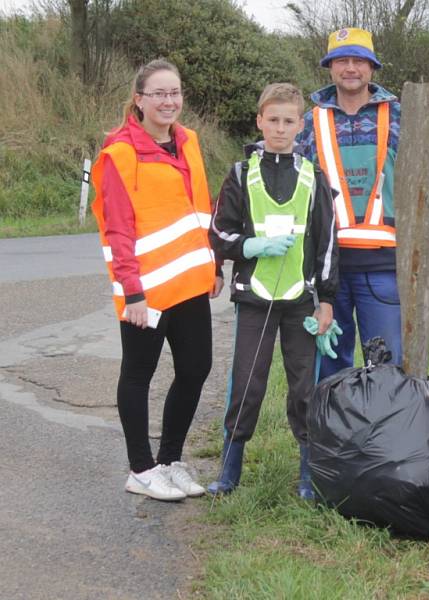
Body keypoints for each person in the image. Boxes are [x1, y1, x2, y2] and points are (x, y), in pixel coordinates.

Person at [91, 59, 223, 502]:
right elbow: (117, 230)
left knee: (195, 368)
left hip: (191, 283)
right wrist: (132, 293)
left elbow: (201, 210)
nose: (169, 101)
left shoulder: (189, 142)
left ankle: (169, 460)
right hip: (145, 293)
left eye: (175, 92)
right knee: (138, 375)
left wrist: (214, 264)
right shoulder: (119, 153)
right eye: (159, 94)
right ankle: (141, 469)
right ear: (139, 99)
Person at [208, 83, 339, 499]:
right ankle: (229, 472)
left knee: (304, 388)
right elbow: (218, 233)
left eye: (289, 121)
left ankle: (307, 474)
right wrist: (249, 246)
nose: (280, 128)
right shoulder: (240, 173)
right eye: (273, 120)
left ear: (301, 127)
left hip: (300, 301)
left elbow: (327, 242)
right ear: (259, 121)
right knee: (247, 383)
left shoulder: (313, 177)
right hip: (254, 298)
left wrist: (327, 301)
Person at [296, 27, 402, 378]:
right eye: (342, 60)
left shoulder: (401, 115)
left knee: (385, 367)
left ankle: (384, 434)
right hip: (329, 269)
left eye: (359, 60)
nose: (351, 68)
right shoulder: (309, 123)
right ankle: (332, 434)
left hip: (385, 266)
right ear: (330, 67)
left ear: (372, 67)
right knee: (330, 367)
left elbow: (422, 185)